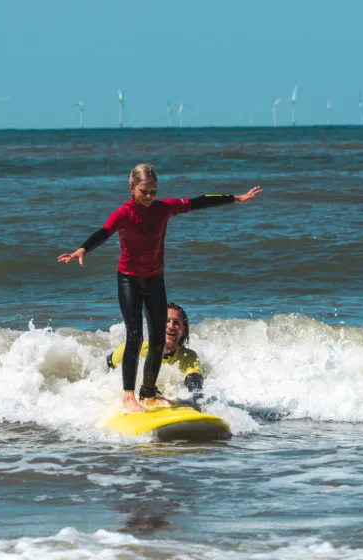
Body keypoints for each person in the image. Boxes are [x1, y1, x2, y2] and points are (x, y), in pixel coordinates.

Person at [57, 163, 262, 412]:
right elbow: (103, 232)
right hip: (129, 279)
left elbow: (199, 202)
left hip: (155, 278)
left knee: (156, 339)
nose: (149, 196)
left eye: (153, 191)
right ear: (132, 188)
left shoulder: (164, 208)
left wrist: (235, 198)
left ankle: (148, 393)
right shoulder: (123, 213)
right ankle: (128, 396)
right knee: (135, 335)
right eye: (144, 191)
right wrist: (82, 249)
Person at [107, 302, 204, 402]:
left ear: (183, 330)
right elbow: (108, 364)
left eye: (176, 323)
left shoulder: (188, 357)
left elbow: (196, 389)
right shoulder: (137, 349)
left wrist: (194, 402)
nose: (171, 326)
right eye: (166, 321)